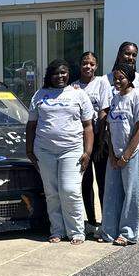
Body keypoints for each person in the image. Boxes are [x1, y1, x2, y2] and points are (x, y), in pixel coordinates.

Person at [26, 59, 95, 244]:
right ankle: (57, 230)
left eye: (64, 72)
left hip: (71, 150)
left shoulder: (78, 95)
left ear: (69, 74)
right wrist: (29, 150)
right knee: (52, 192)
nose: (60, 76)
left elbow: (88, 126)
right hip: (44, 151)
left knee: (70, 190)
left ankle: (77, 231)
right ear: (50, 75)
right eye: (56, 73)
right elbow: (31, 125)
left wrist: (88, 152)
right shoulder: (40, 95)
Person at [104, 41, 139, 223]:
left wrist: (127, 154)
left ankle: (134, 224)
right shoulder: (108, 83)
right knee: (113, 190)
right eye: (127, 54)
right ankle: (112, 226)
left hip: (133, 146)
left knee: (136, 188)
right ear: (119, 54)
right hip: (114, 145)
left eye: (134, 55)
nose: (130, 57)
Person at [101, 62, 139, 245]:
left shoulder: (138, 97)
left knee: (132, 193)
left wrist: (126, 155)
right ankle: (109, 231)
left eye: (121, 78)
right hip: (115, 153)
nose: (117, 81)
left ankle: (128, 233)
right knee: (112, 192)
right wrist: (113, 155)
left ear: (130, 78)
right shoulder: (114, 98)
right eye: (115, 78)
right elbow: (109, 129)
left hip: (134, 152)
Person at [73, 51, 110, 230]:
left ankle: (106, 222)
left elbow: (104, 111)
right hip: (81, 141)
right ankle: (91, 222)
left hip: (99, 139)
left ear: (96, 66)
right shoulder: (73, 87)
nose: (88, 66)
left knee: (103, 182)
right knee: (86, 183)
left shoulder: (102, 82)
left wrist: (101, 140)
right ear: (80, 65)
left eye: (92, 64)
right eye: (85, 63)